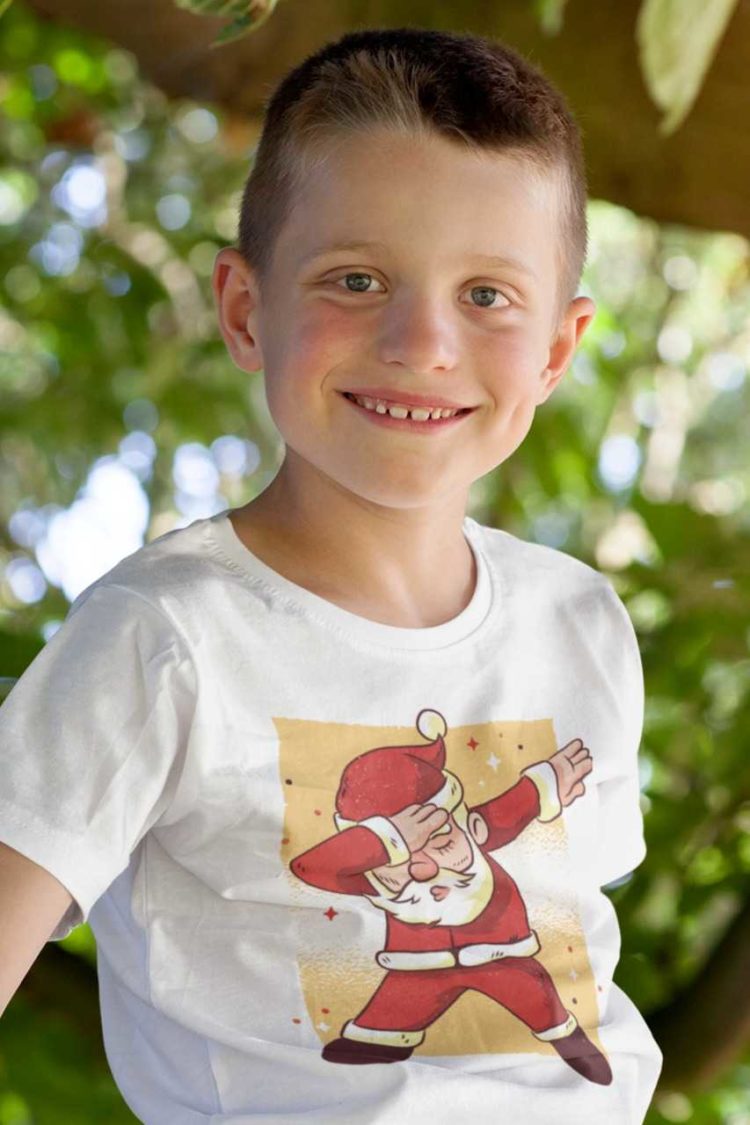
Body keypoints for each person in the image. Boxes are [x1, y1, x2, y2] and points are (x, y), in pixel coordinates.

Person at [0, 25, 663, 1125]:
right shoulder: (165, 640)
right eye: (356, 279)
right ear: (245, 310)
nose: (421, 342)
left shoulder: (580, 623)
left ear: (558, 349)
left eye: (488, 296)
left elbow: (571, 923)